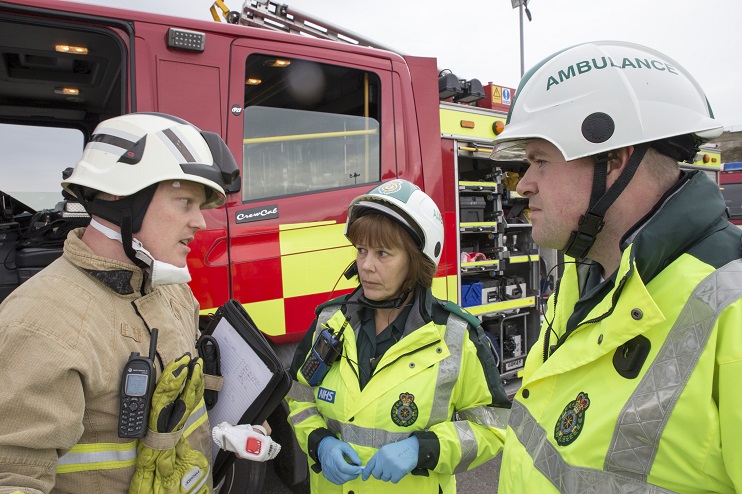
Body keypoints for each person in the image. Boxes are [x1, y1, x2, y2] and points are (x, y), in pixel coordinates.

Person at [489, 41, 742, 492]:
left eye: (540, 161)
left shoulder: (733, 308)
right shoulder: (583, 275)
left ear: (614, 160)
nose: (523, 185)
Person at [0, 112, 239, 492]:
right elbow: (14, 476)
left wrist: (229, 429)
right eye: (184, 202)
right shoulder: (39, 322)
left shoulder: (170, 290)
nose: (201, 222)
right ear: (122, 198)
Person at [286, 178, 511, 493]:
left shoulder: (456, 336)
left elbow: (492, 427)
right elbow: (300, 398)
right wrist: (319, 442)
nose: (365, 266)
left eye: (383, 254)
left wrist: (424, 449)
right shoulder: (329, 321)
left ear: (416, 262)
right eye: (361, 250)